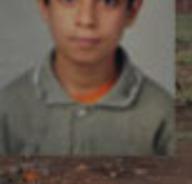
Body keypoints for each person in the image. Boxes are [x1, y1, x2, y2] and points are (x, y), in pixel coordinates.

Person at [0, 0, 173, 156]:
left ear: (132, 11)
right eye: (69, 1)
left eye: (109, 2)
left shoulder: (162, 115)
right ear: (44, 6)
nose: (86, 20)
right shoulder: (8, 109)